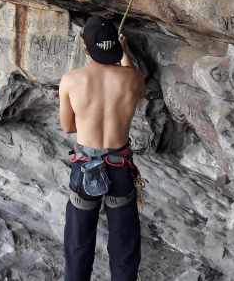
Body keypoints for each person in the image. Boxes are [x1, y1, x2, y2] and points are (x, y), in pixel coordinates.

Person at [59, 16, 146, 281]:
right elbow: (137, 86)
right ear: (116, 48)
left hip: (85, 167)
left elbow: (68, 127)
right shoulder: (133, 78)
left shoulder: (71, 80)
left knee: (78, 241)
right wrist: (123, 54)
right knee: (124, 244)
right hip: (121, 167)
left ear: (86, 47)